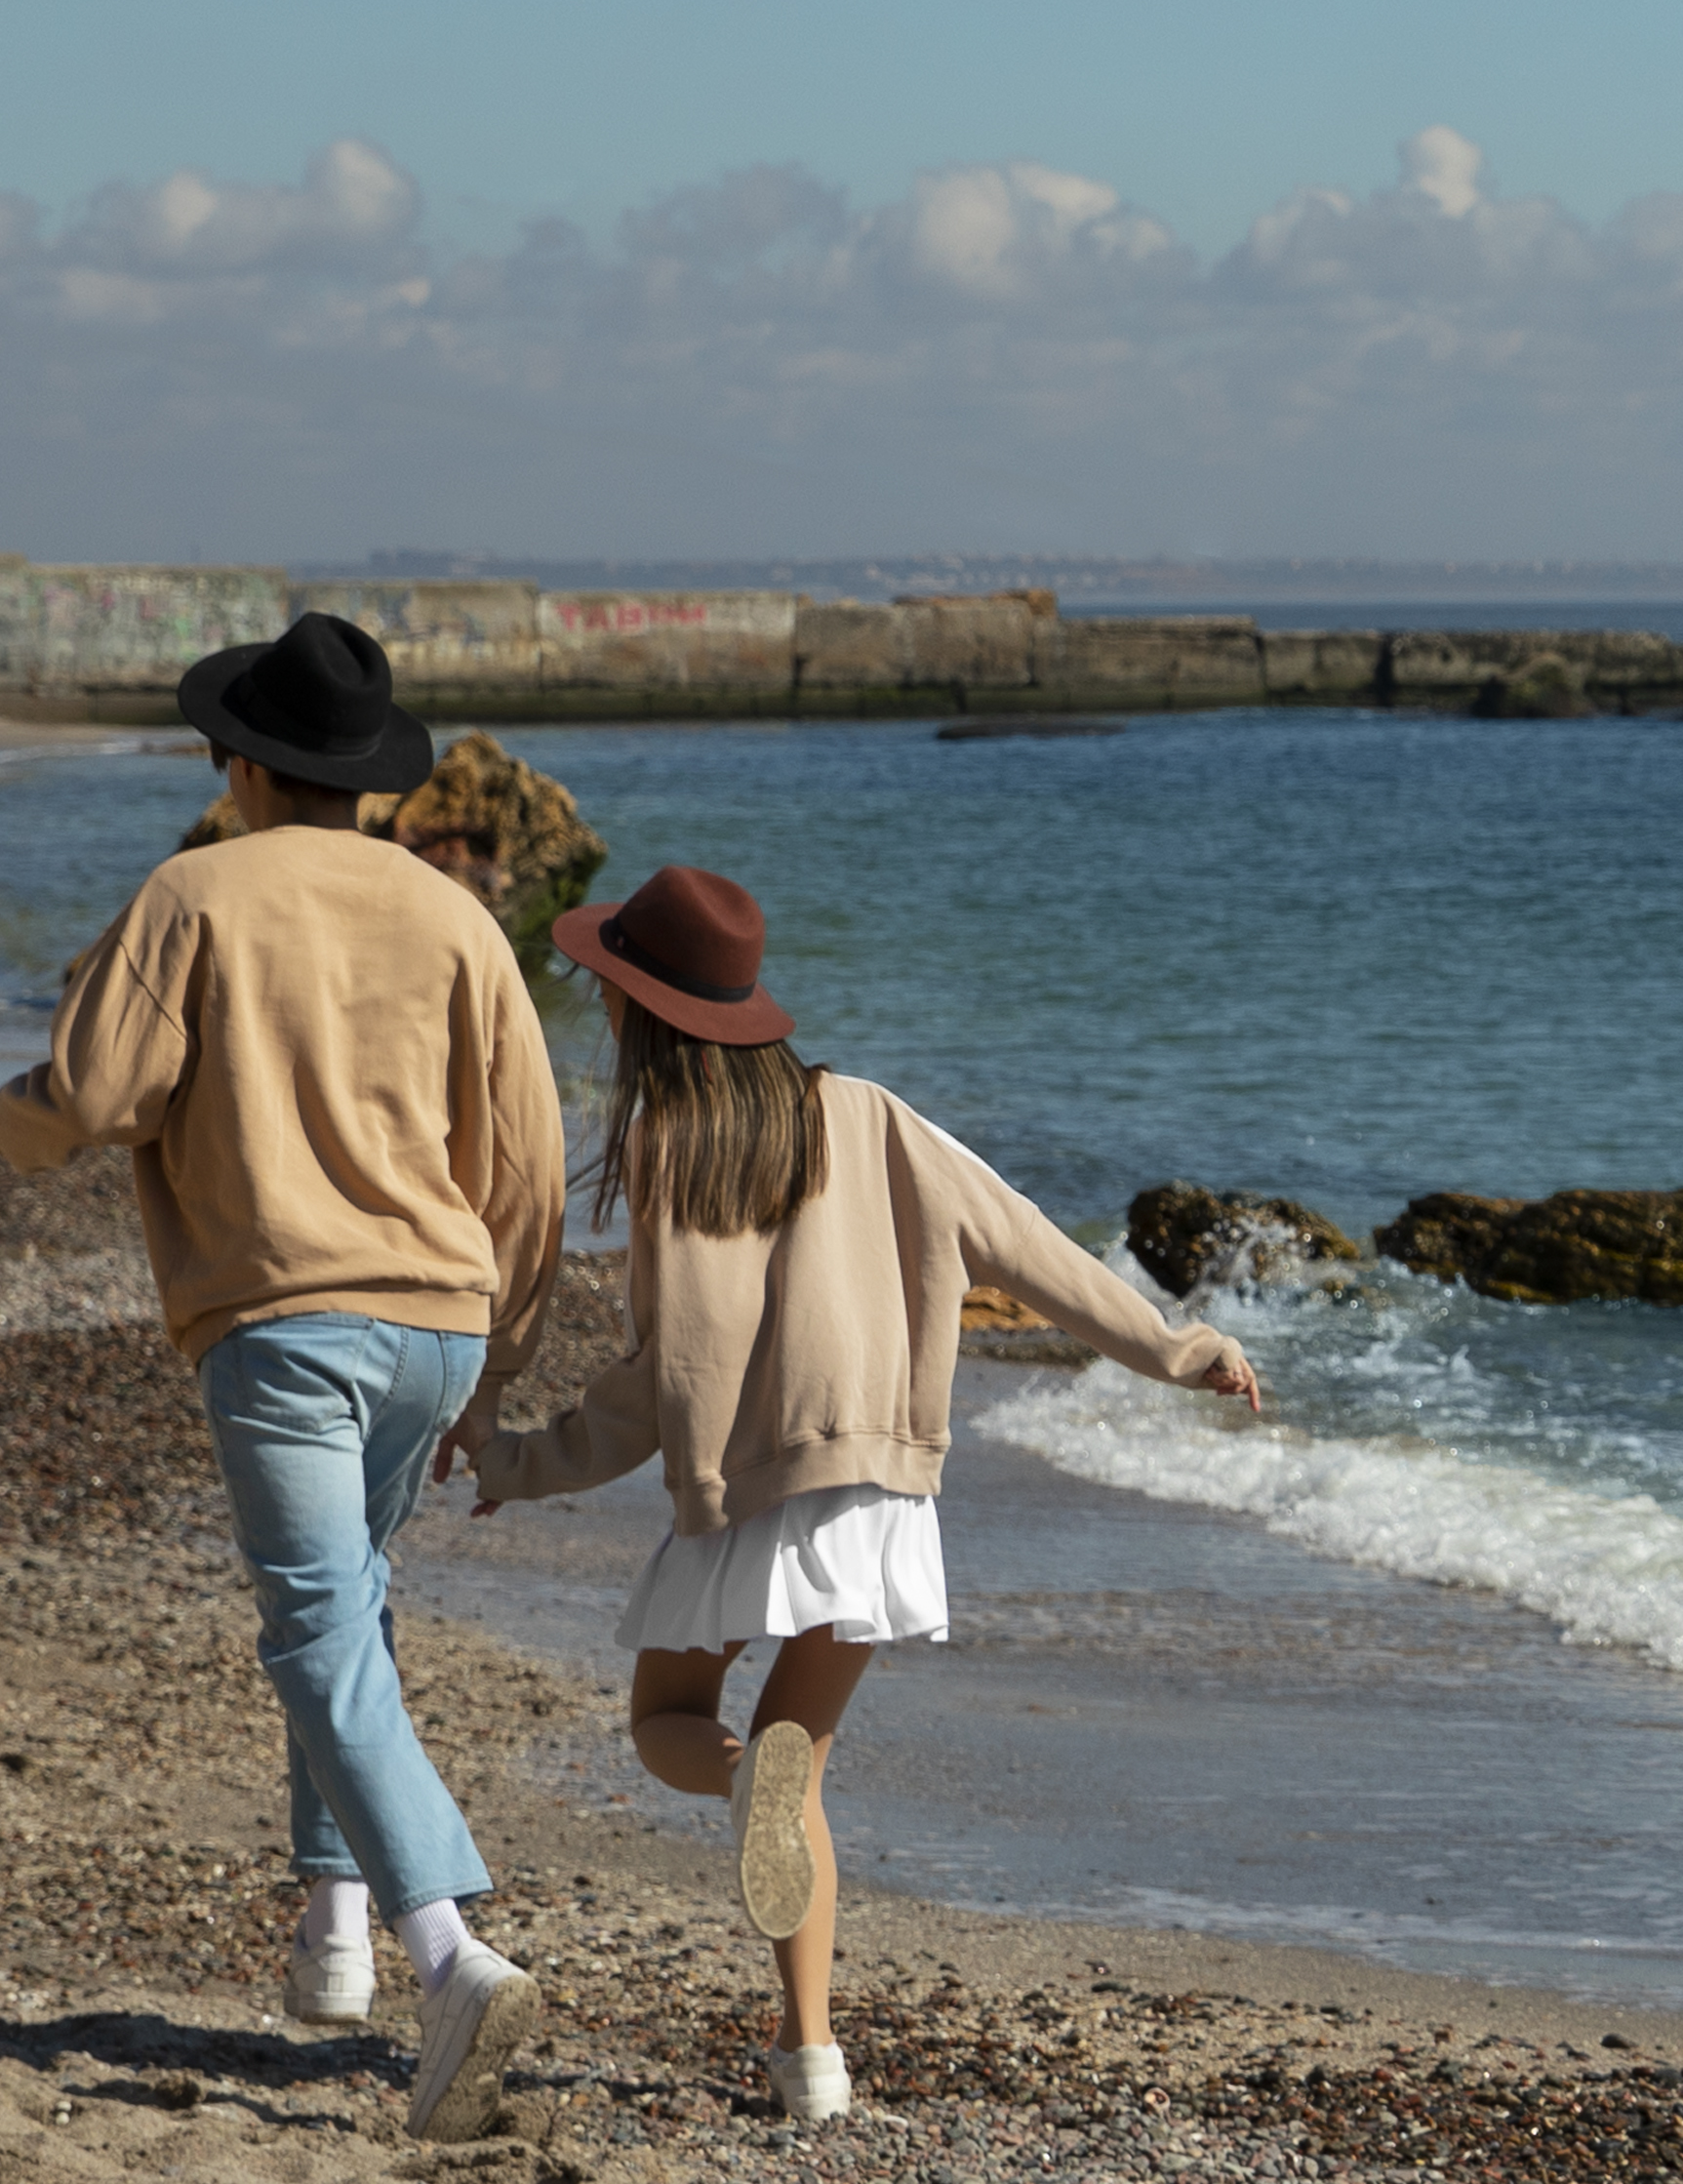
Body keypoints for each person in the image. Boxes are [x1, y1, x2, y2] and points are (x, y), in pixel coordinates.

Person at [458, 860, 1259, 2121]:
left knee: (675, 1719)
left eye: (607, 985)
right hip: (878, 1500)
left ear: (642, 1012)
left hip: (749, 1495)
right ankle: (811, 2058)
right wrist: (1176, 1347)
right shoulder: (879, 1117)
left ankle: (744, 1819)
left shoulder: (672, 1152)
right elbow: (1031, 1244)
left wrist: (521, 1461)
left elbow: (653, 1380)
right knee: (799, 1759)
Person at [0, 607, 574, 2139]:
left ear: (234, 760)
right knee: (352, 1611)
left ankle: (447, 1951)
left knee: (315, 1622)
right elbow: (526, 1159)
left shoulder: (191, 893)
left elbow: (100, 1089)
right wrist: (501, 1358)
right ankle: (331, 1940)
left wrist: (14, 1122)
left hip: (286, 1317)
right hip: (440, 1314)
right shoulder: (456, 918)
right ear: (368, 776)